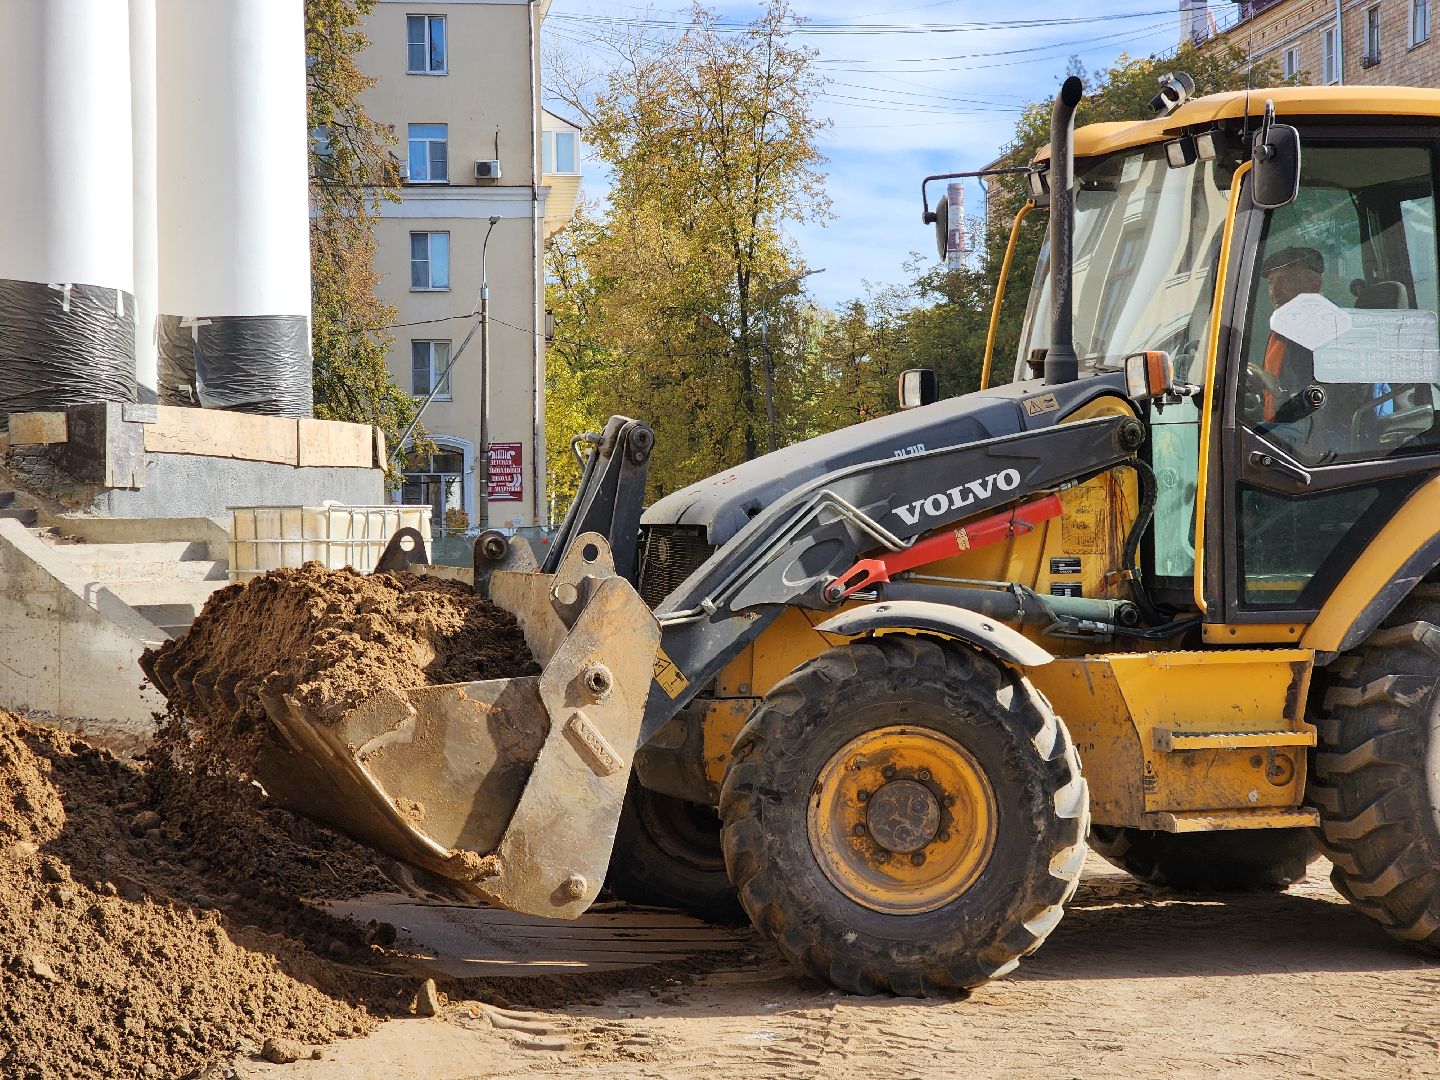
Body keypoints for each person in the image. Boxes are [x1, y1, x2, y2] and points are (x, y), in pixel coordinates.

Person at [1256, 245, 1324, 422]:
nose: (1274, 291)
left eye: (1286, 280)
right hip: (1280, 432)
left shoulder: (1329, 330)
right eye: (1271, 282)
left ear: (1314, 283)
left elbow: (1324, 402)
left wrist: (1276, 389)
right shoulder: (1283, 329)